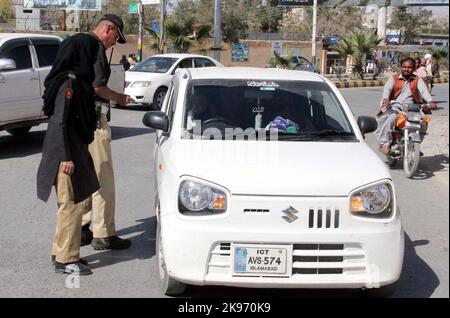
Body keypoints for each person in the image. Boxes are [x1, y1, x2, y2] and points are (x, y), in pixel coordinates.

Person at [36, 32, 101, 275]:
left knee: (75, 202)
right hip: (66, 155)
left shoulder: (77, 81)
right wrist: (65, 158)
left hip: (75, 150)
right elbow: (59, 123)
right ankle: (66, 259)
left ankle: (61, 252)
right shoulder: (69, 83)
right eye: (92, 52)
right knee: (71, 204)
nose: (94, 57)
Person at [80, 14, 135, 251]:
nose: (114, 43)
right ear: (108, 29)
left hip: (77, 121)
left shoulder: (77, 44)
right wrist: (121, 98)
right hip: (94, 121)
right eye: (116, 37)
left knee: (82, 177)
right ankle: (102, 233)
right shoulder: (96, 48)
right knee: (103, 179)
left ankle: (81, 227)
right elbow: (99, 87)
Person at [375, 57, 437, 155]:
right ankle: (385, 143)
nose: (406, 69)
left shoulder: (417, 79)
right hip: (395, 106)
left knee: (423, 122)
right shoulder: (394, 78)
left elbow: (424, 91)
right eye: (404, 67)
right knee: (391, 118)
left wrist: (430, 101)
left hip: (411, 108)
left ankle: (415, 144)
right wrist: (386, 98)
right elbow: (387, 89)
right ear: (401, 67)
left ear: (414, 68)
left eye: (409, 67)